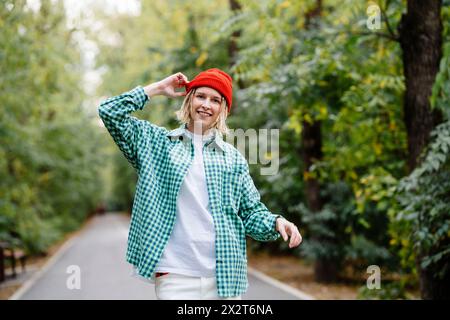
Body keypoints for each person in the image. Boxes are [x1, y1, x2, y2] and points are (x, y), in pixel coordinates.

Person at [98, 68, 302, 300]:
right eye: (200, 96)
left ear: (222, 110)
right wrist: (156, 89)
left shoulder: (232, 158)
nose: (206, 104)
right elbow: (109, 112)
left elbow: (250, 212)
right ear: (189, 99)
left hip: (224, 276)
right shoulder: (157, 144)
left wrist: (277, 222)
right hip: (176, 275)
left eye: (215, 100)